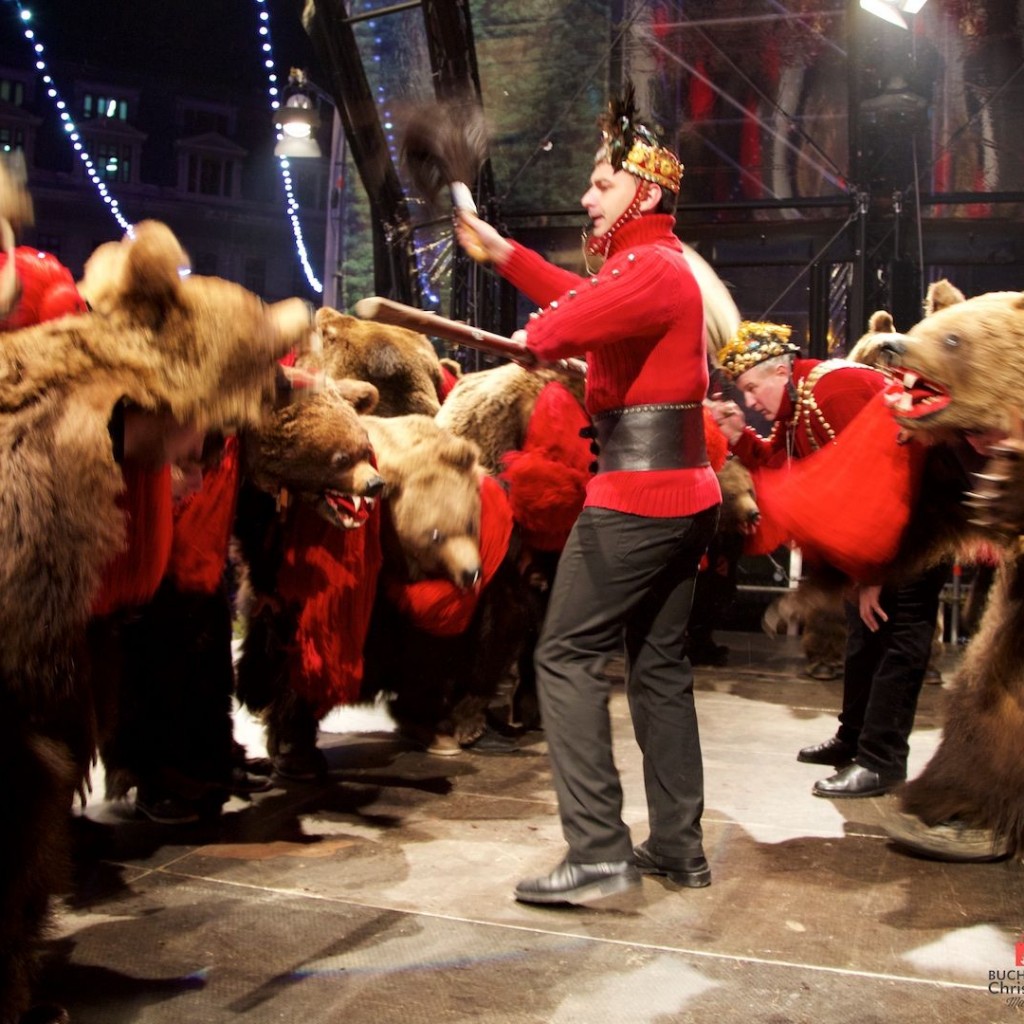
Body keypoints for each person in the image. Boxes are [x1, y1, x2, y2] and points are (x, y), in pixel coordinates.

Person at [454, 86, 720, 906]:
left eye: (602, 183)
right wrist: (502, 253)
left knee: (564, 655)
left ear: (646, 192)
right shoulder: (651, 269)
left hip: (638, 497)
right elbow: (580, 302)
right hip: (681, 492)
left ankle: (600, 851)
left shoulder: (650, 268)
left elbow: (563, 321)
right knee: (659, 669)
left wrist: (537, 342)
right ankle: (676, 847)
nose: (585, 196)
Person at [709, 322, 948, 798]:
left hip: (920, 525)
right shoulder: (800, 402)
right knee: (863, 633)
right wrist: (736, 435)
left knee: (898, 638)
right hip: (890, 528)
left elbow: (888, 475)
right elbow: (783, 468)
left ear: (780, 372)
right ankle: (854, 738)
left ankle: (881, 761)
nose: (751, 402)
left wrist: (874, 571)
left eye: (753, 388)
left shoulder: (833, 387)